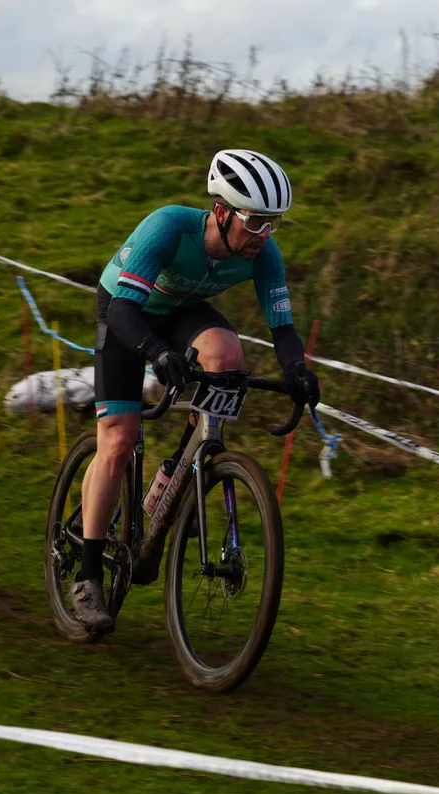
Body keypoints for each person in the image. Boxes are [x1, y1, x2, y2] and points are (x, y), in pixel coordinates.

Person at [74, 149, 321, 633]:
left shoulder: (263, 252)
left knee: (227, 357)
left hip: (183, 311)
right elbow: (125, 311)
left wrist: (297, 368)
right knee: (119, 442)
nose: (264, 235)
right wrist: (156, 351)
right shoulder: (168, 227)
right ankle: (86, 575)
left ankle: (179, 472)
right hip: (127, 313)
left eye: (273, 224)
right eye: (255, 222)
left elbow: (284, 327)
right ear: (222, 211)